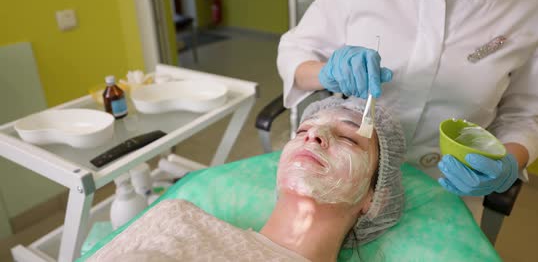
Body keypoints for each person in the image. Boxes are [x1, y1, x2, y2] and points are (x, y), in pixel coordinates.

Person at [277, 0, 538, 220]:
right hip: (340, 174)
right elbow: (298, 55)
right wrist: (327, 73)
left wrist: (506, 164)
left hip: (446, 185)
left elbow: (527, 115)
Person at [86, 97, 405, 262]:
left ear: (374, 200)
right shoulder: (177, 215)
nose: (314, 136)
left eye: (349, 138)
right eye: (302, 130)